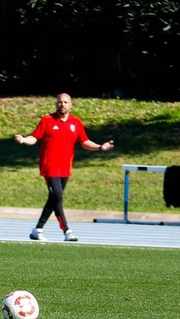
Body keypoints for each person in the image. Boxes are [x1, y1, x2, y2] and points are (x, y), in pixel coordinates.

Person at [12, 92, 115, 242]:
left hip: (65, 168)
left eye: (66, 102)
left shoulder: (76, 123)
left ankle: (38, 229)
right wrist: (23, 140)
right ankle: (67, 231)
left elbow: (85, 142)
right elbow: (34, 138)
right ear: (56, 104)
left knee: (54, 199)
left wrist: (100, 147)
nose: (62, 105)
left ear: (71, 105)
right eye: (60, 102)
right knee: (58, 197)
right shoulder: (47, 120)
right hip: (50, 167)